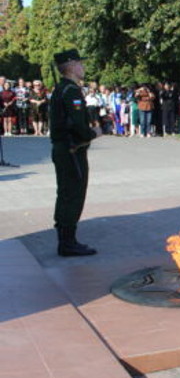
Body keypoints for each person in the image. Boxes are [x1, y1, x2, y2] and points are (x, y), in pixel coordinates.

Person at [50, 50, 102, 257]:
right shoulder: (71, 91)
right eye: (80, 63)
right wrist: (93, 133)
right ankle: (67, 242)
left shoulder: (62, 88)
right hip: (72, 150)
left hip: (65, 149)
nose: (83, 67)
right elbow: (78, 126)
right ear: (71, 66)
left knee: (66, 193)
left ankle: (66, 240)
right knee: (73, 194)